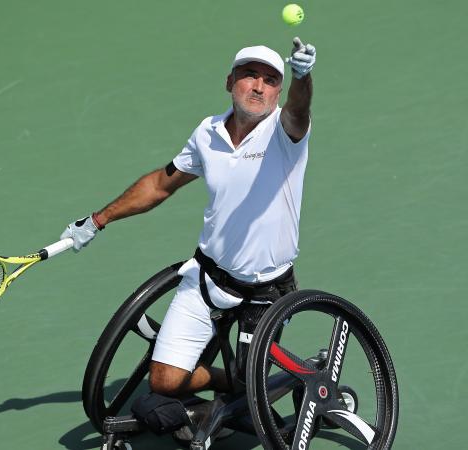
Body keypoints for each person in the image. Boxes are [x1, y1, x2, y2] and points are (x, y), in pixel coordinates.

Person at [61, 37, 316, 398]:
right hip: (207, 277)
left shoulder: (285, 132)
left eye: (272, 80)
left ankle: (282, 379)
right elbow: (160, 185)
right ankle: (215, 379)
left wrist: (303, 78)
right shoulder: (207, 133)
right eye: (249, 75)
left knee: (250, 388)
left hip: (266, 290)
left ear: (279, 93)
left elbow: (299, 111)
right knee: (163, 382)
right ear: (230, 82)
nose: (259, 86)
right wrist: (98, 219)